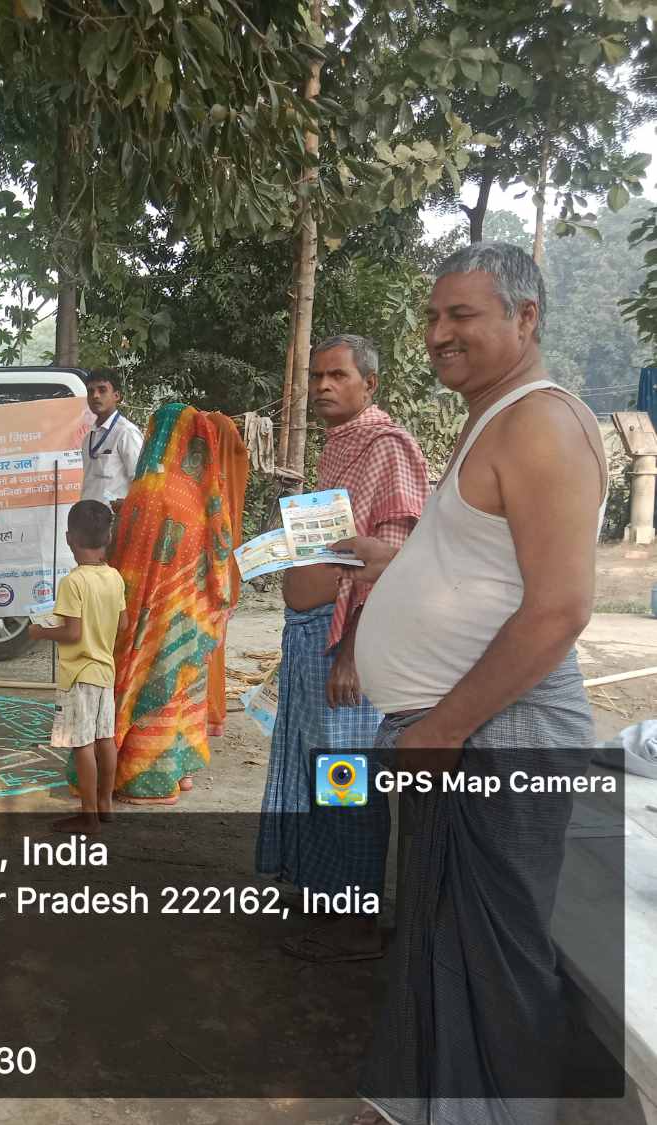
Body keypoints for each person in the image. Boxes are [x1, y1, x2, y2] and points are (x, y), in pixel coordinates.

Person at [340, 243, 607, 1125]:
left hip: (496, 732)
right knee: (442, 938)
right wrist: (395, 560)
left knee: (492, 956)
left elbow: (559, 608)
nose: (438, 333)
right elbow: (485, 563)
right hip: (466, 730)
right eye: (432, 317)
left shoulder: (540, 425)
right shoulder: (491, 419)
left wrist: (443, 727)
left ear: (525, 319)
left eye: (462, 315)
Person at [255, 334, 429, 964]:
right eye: (316, 376)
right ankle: (326, 895)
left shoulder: (389, 448)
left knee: (344, 784)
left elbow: (391, 563)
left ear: (369, 384)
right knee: (317, 776)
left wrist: (353, 653)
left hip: (346, 648)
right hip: (310, 641)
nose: (323, 386)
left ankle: (356, 924)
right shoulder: (338, 449)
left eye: (338, 375)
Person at [106, 404, 247, 803]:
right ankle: (181, 773)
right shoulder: (204, 494)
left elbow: (124, 561)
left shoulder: (144, 492)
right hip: (191, 616)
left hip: (149, 615)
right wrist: (218, 603)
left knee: (150, 687)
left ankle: (146, 780)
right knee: (183, 689)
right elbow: (220, 552)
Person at [30, 500, 127, 835]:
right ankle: (105, 805)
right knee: (105, 738)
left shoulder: (73, 582)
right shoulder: (114, 577)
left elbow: (72, 633)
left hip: (79, 674)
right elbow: (123, 623)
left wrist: (40, 632)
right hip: (104, 670)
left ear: (69, 538)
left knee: (82, 743)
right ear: (108, 537)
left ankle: (88, 816)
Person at [79, 369, 144, 511]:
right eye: (90, 391)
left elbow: (141, 482)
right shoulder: (89, 437)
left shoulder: (126, 432)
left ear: (116, 395)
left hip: (114, 519)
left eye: (102, 390)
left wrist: (125, 508)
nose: (95, 396)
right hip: (88, 517)